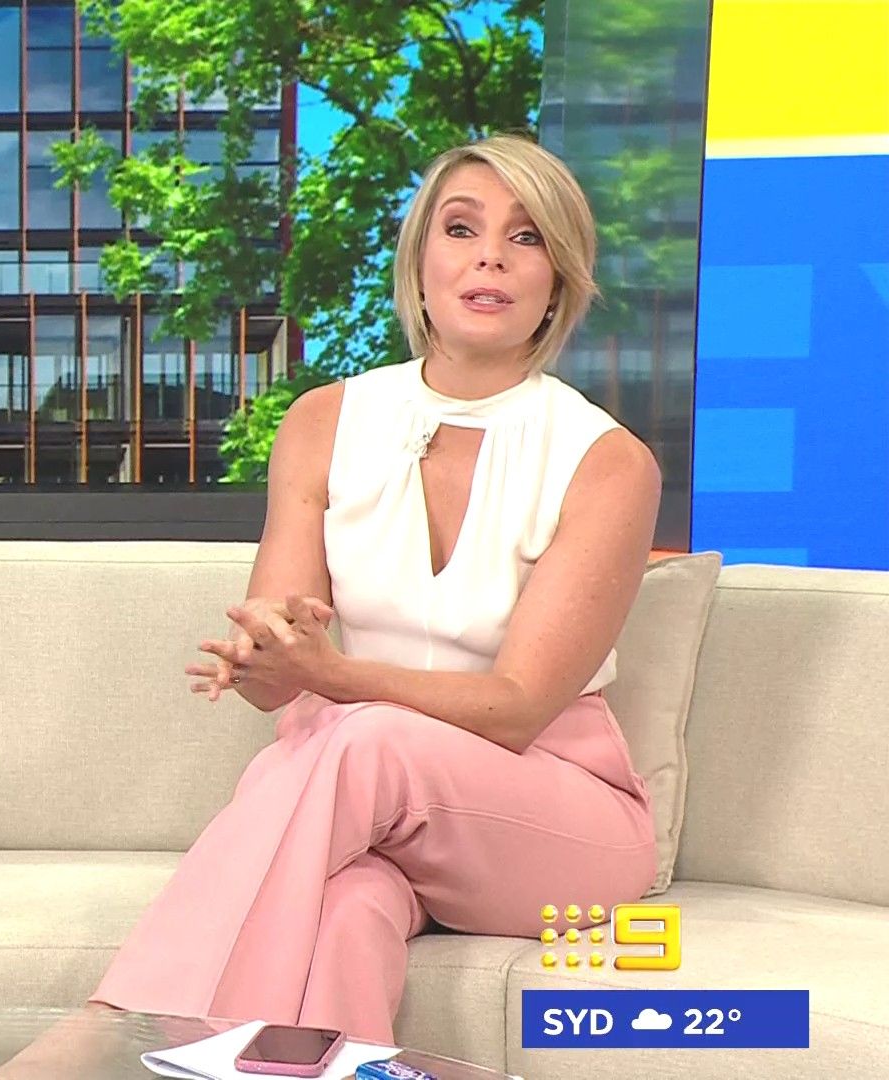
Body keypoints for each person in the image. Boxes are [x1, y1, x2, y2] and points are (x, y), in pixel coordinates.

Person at [91, 134, 661, 1044]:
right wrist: (263, 660)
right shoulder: (324, 422)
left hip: (555, 820)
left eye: (525, 238)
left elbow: (518, 708)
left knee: (361, 736)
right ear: (419, 262)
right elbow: (280, 674)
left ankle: (116, 1032)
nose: (489, 256)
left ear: (558, 279)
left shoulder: (607, 462)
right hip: (374, 812)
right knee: (345, 913)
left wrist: (332, 677)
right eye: (461, 229)